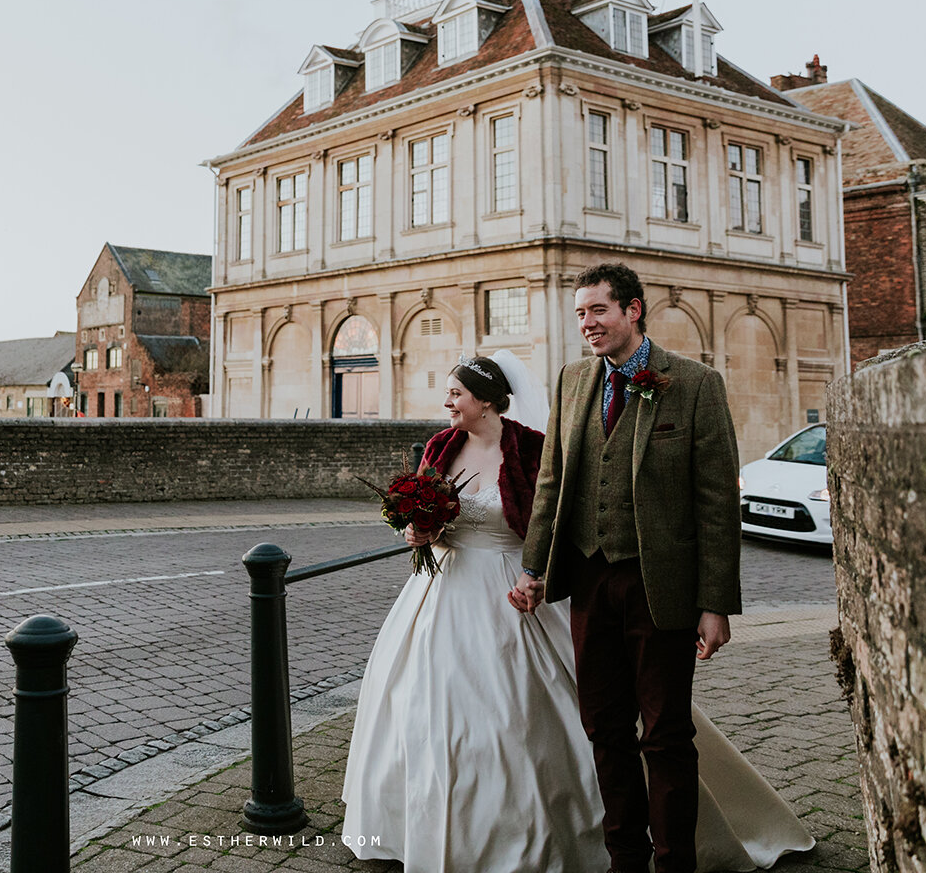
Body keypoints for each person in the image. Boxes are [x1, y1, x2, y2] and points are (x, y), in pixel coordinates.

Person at [341, 340, 813, 871]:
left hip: (513, 589)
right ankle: (426, 826)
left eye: (456, 393)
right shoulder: (438, 447)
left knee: (542, 718)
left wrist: (539, 576)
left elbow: (558, 512)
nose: (448, 403)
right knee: (419, 710)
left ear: (489, 401)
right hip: (440, 596)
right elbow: (425, 517)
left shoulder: (529, 448)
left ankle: (585, 836)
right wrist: (419, 530)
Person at [513, 262, 752, 873]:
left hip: (661, 586)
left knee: (666, 735)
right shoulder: (571, 381)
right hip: (588, 582)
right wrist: (534, 568)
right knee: (604, 729)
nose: (587, 324)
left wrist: (715, 603)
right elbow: (551, 483)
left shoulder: (695, 384)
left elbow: (719, 502)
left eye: (597, 311)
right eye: (580, 314)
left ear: (633, 310)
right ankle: (625, 859)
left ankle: (675, 865)